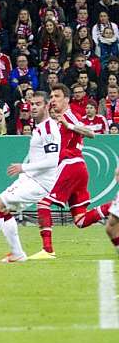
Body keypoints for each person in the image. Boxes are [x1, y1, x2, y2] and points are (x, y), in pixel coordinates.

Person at [0, 91, 61, 263]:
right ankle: (17, 253)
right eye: (32, 104)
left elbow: (52, 161)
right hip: (31, 178)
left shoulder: (49, 129)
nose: (34, 107)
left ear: (47, 106)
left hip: (39, 181)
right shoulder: (39, 126)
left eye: (38, 104)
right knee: (4, 209)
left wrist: (24, 167)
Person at [30, 85, 112, 259]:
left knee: (42, 202)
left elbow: (91, 133)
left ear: (67, 99)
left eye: (57, 96)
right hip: (78, 168)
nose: (53, 100)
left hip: (71, 164)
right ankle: (114, 206)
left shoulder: (69, 115)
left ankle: (47, 249)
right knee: (80, 220)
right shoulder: (56, 119)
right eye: (51, 96)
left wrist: (69, 125)